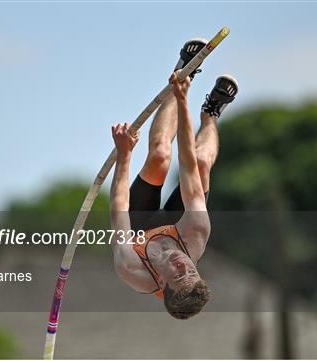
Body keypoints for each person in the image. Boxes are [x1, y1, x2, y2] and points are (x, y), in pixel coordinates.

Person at [109, 39, 238, 319]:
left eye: (179, 276)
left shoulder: (131, 268)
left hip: (139, 227)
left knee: (158, 155)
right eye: (191, 270)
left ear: (163, 285)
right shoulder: (196, 233)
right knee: (202, 162)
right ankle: (208, 109)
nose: (183, 265)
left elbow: (118, 207)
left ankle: (187, 81)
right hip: (178, 225)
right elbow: (189, 165)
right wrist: (181, 99)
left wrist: (124, 155)